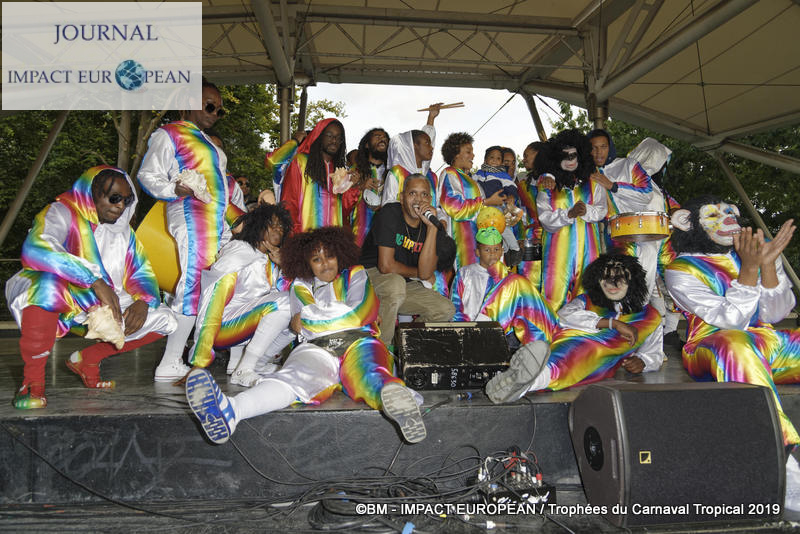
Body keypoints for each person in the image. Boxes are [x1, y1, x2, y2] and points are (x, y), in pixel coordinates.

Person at [185, 226, 427, 445]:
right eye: (316, 259)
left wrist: (312, 317)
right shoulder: (300, 285)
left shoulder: (356, 273)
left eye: (329, 256)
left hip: (359, 342)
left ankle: (400, 403)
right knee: (292, 379)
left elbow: (358, 313)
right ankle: (231, 411)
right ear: (307, 263)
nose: (325, 264)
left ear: (339, 255)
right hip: (317, 348)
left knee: (371, 375)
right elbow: (303, 324)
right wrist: (322, 318)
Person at [665, 196, 800, 510]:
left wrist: (767, 266)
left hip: (767, 344)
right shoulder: (680, 269)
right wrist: (750, 269)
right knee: (735, 344)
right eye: (713, 214)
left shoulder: (753, 253)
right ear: (689, 223)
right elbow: (731, 320)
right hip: (712, 348)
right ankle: (782, 465)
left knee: (750, 342)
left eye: (730, 212)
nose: (727, 219)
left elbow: (775, 313)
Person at [5, 166, 177, 408]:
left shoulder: (125, 234)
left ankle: (87, 360)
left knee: (166, 319)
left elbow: (141, 271)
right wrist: (94, 282)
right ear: (91, 194)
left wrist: (143, 301)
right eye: (113, 197)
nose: (120, 206)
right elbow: (37, 247)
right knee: (47, 286)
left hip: (103, 307)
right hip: (62, 295)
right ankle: (32, 384)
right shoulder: (61, 212)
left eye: (126, 200)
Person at [138, 79, 246, 382]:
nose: (215, 112)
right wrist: (175, 188)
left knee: (220, 284)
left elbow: (220, 193)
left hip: (217, 224)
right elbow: (148, 175)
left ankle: (209, 356)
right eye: (209, 105)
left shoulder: (208, 143)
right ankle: (170, 361)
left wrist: (240, 221)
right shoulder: (169, 133)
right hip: (191, 216)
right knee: (194, 286)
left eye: (219, 109)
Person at [486, 252, 663, 403]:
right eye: (606, 279)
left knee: (584, 349)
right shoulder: (587, 300)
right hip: (548, 340)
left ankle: (522, 383)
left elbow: (654, 354)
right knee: (517, 283)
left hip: (589, 357)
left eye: (619, 279)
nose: (612, 285)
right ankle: (479, 347)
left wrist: (643, 361)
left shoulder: (649, 317)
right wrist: (612, 323)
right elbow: (564, 316)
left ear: (632, 281)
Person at [189, 203, 296, 387]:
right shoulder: (239, 252)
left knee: (298, 309)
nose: (278, 230)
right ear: (258, 224)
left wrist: (284, 265)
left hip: (244, 325)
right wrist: (200, 360)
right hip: (221, 329)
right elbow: (212, 303)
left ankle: (258, 365)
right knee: (286, 303)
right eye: (272, 224)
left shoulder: (269, 258)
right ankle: (243, 369)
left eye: (282, 227)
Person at [360, 174, 456, 347]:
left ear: (430, 198)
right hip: (370, 277)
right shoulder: (390, 213)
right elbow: (385, 265)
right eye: (412, 194)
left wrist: (433, 228)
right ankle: (381, 351)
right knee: (395, 284)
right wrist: (419, 274)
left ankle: (403, 345)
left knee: (445, 309)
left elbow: (426, 273)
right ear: (402, 197)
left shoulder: (431, 224)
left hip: (403, 283)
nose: (418, 200)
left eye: (424, 194)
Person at [535, 129, 607, 311]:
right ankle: (551, 338)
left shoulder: (593, 181)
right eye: (564, 156)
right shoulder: (547, 186)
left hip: (589, 254)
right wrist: (569, 214)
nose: (569, 160)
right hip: (557, 256)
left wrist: (586, 210)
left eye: (573, 155)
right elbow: (545, 219)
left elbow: (601, 210)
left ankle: (584, 338)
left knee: (589, 300)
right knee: (553, 300)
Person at [451, 226, 558, 348]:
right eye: (487, 250)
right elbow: (456, 305)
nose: (492, 254)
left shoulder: (508, 277)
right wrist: (462, 330)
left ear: (502, 251)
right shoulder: (465, 273)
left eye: (496, 249)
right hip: (471, 330)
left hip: (503, 333)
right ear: (477, 252)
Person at [279, 118, 359, 234]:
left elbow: (343, 212)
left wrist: (353, 188)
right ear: (320, 136)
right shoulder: (301, 162)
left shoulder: (340, 171)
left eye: (338, 137)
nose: (334, 140)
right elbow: (289, 202)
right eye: (329, 135)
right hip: (305, 239)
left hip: (333, 241)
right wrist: (294, 235)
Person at [439, 132, 505, 270]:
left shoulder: (470, 179)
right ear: (456, 154)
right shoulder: (450, 174)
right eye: (468, 151)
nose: (473, 156)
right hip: (465, 243)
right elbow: (455, 208)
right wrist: (486, 202)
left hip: (483, 243)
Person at [473, 146, 523, 261]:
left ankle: (515, 248)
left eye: (498, 158)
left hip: (498, 206)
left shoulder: (502, 175)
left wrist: (511, 196)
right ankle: (504, 249)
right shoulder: (478, 174)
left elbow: (511, 187)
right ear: (485, 160)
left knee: (502, 227)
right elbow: (470, 182)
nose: (495, 160)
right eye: (492, 157)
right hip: (484, 207)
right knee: (492, 231)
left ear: (501, 162)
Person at [350, 127, 390, 247]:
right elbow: (340, 202)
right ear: (367, 145)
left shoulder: (393, 173)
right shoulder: (354, 171)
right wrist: (360, 187)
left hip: (385, 235)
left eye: (385, 138)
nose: (382, 139)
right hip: (360, 236)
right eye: (377, 136)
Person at [517, 142, 547, 288]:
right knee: (529, 278)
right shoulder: (523, 183)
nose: (523, 159)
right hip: (531, 237)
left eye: (526, 155)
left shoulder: (553, 180)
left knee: (552, 277)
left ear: (538, 154)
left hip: (553, 236)